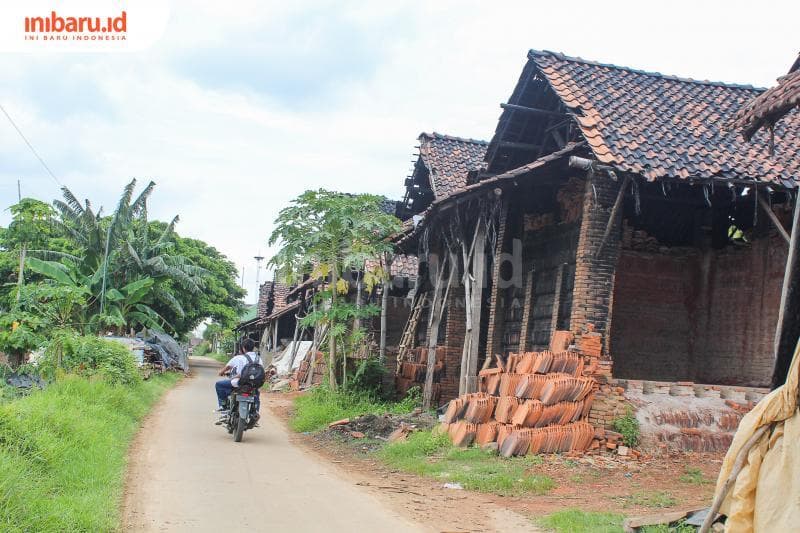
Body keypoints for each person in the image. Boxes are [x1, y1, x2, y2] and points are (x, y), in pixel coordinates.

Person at [215, 338, 262, 416]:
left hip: (240, 383)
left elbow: (233, 370)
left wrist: (226, 375)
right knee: (256, 392)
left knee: (219, 384)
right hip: (254, 383)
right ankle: (255, 411)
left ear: (243, 348)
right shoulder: (258, 358)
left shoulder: (240, 358)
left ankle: (223, 406)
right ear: (253, 347)